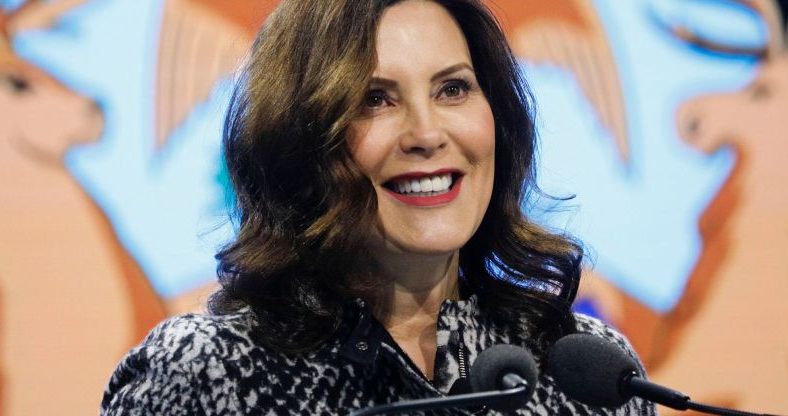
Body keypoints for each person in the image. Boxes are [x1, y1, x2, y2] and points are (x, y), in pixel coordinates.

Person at [100, 0, 656, 414]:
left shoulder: (586, 376)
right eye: (375, 99)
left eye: (453, 89)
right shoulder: (203, 373)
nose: (425, 133)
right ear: (299, 142)